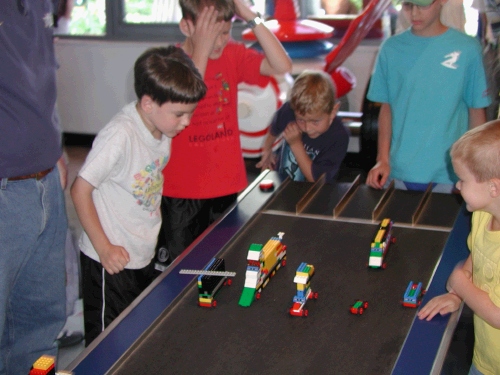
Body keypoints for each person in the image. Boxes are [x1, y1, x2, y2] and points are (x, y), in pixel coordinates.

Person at [70, 46, 206, 346]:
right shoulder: (120, 135)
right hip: (109, 260)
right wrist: (104, 247)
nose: (187, 122)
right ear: (148, 104)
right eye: (180, 114)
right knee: (106, 344)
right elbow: (80, 189)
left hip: (139, 252)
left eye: (190, 113)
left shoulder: (161, 129)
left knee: (133, 336)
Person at [157, 0, 292, 265]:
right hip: (182, 192)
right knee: (179, 272)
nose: (218, 42)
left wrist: (251, 17)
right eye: (211, 34)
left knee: (222, 263)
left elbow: (282, 66)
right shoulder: (168, 64)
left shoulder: (233, 54)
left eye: (225, 32)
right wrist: (203, 49)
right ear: (186, 26)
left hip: (226, 185)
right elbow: (187, 97)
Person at [0, 1, 68, 374]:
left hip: (44, 183)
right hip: (5, 190)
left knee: (41, 326)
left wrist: (50, 142)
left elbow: (40, 73)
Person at [365, 0, 490, 193]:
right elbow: (387, 108)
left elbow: (476, 112)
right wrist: (382, 159)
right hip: (399, 172)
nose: (414, 13)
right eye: (408, 5)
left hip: (451, 174)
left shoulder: (467, 49)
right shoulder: (390, 49)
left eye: (423, 5)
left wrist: (476, 167)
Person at [418, 120, 500, 375]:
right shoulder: (483, 215)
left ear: (493, 187)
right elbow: (478, 254)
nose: (457, 187)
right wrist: (456, 295)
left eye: (463, 180)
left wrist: (460, 283)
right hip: (486, 359)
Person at [257, 70, 349, 183]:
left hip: (316, 194)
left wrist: (295, 144)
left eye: (315, 122)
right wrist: (267, 149)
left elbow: (316, 179)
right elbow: (275, 126)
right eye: (300, 120)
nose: (307, 128)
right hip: (282, 186)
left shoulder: (338, 136)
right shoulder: (289, 110)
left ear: (333, 112)